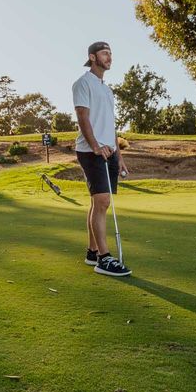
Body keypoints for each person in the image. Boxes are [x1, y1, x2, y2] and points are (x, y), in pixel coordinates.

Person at [73, 41, 131, 277]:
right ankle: (103, 259)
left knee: (98, 203)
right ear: (93, 57)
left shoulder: (107, 90)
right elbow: (82, 117)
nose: (109, 57)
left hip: (109, 151)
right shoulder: (82, 83)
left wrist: (119, 154)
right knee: (104, 201)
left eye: (111, 53)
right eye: (105, 53)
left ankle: (92, 251)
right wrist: (96, 146)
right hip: (90, 151)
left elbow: (110, 125)